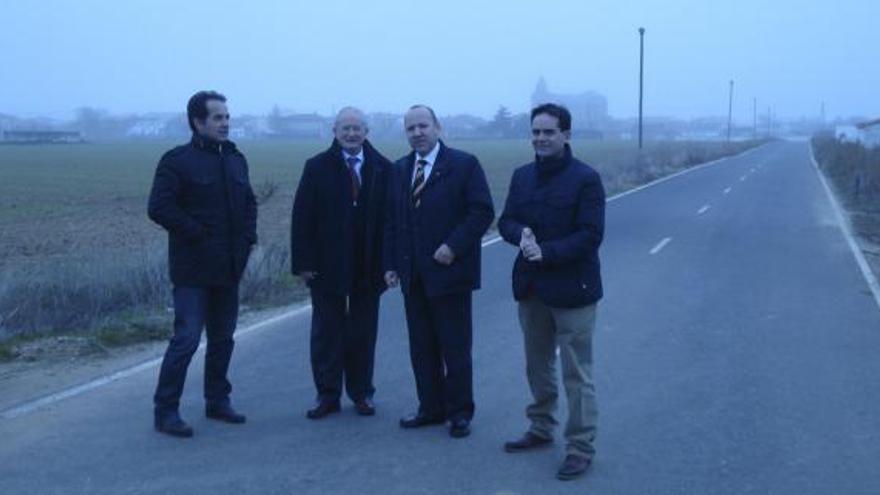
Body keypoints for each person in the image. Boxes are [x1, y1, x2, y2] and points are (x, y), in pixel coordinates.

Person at [498, 103, 605, 480]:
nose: (541, 138)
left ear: (566, 135)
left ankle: (580, 446)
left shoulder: (586, 179)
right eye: (536, 132)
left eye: (549, 132)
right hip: (531, 289)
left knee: (577, 374)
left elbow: (591, 235)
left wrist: (548, 252)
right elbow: (506, 220)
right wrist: (520, 234)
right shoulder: (522, 176)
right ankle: (541, 428)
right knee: (537, 364)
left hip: (573, 288)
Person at [148, 90, 258, 438]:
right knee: (186, 339)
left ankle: (217, 401)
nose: (225, 123)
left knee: (223, 339)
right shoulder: (177, 161)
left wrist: (247, 240)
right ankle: (166, 411)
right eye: (218, 118)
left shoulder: (236, 159)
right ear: (198, 122)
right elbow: (159, 207)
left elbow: (249, 204)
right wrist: (197, 234)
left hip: (228, 268)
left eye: (227, 117)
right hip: (192, 270)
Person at [383, 105, 494, 438]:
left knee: (454, 347)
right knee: (422, 347)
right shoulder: (400, 169)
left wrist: (453, 246)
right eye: (411, 128)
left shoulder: (463, 165)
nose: (417, 133)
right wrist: (390, 264)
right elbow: (392, 222)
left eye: (423, 126)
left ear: (438, 127)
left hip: (450, 273)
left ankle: (459, 412)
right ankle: (430, 408)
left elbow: (481, 212)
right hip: (413, 276)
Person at [290, 107, 391, 419]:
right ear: (334, 131)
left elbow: (390, 222)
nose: (351, 134)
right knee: (326, 332)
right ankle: (327, 394)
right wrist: (303, 263)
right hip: (326, 265)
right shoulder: (316, 167)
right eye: (345, 128)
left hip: (368, 265)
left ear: (366, 132)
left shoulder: (382, 168)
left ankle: (362, 393)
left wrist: (390, 264)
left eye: (357, 128)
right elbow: (302, 218)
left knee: (363, 332)